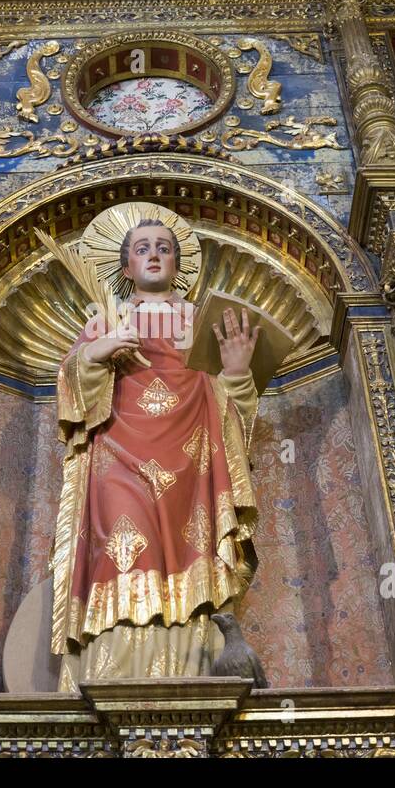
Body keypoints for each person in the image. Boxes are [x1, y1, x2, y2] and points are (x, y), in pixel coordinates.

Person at [51, 212, 261, 686]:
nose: (153, 254)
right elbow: (71, 392)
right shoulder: (107, 318)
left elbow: (233, 411)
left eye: (164, 247)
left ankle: (190, 666)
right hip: (117, 456)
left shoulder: (201, 321)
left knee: (191, 548)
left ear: (177, 262)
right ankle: (115, 666)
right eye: (142, 248)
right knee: (125, 543)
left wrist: (236, 371)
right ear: (125, 267)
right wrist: (98, 351)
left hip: (191, 460)